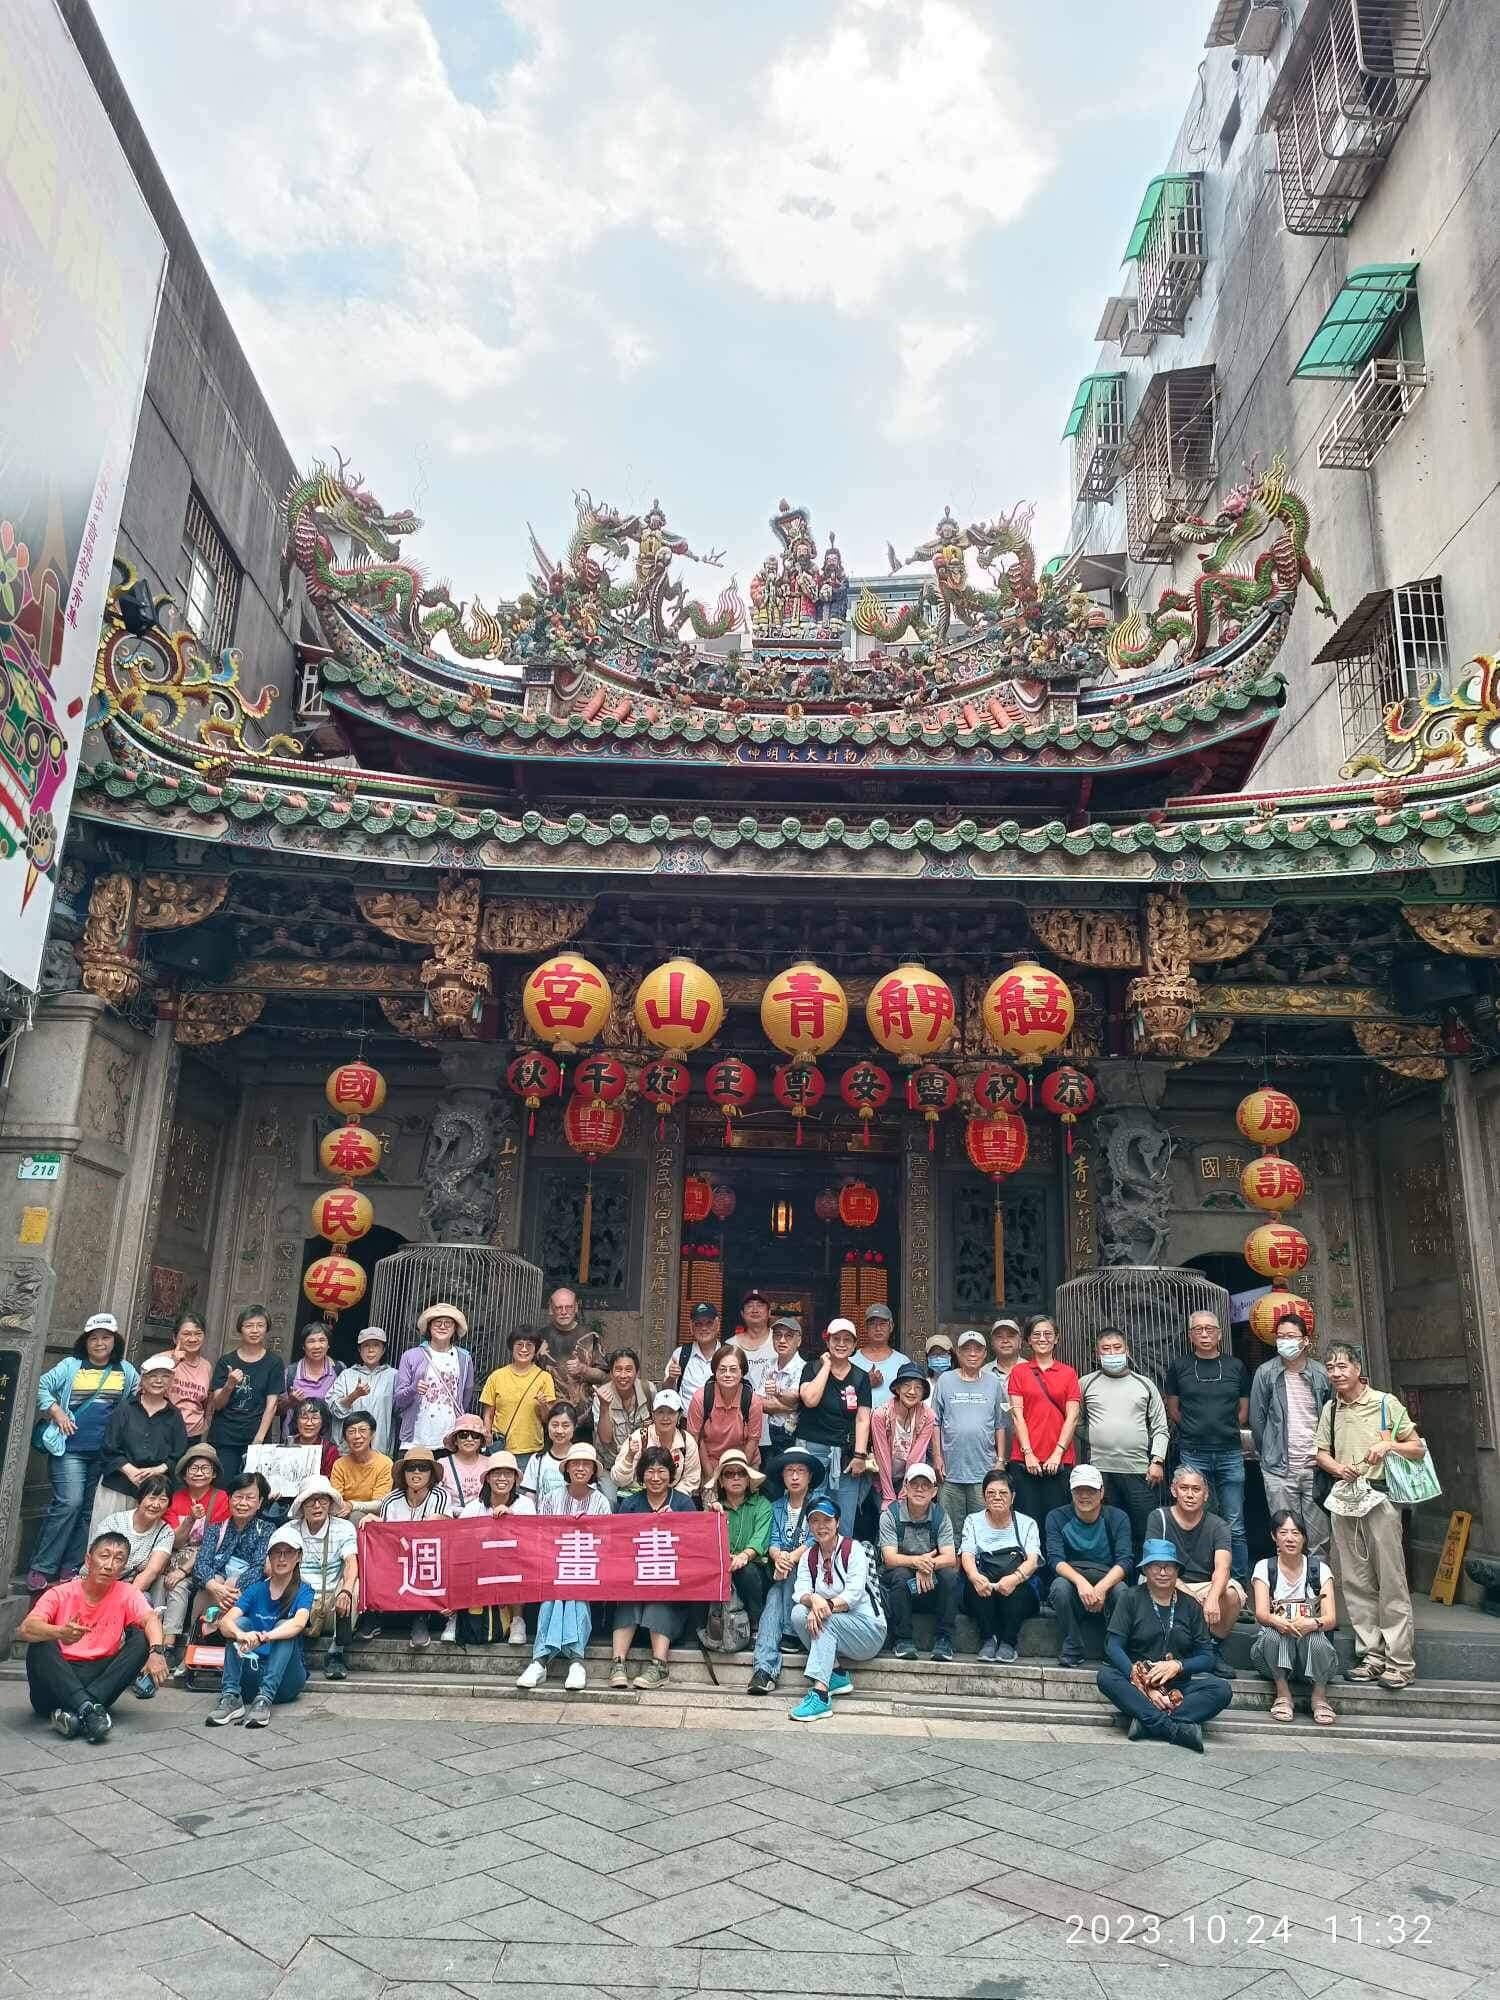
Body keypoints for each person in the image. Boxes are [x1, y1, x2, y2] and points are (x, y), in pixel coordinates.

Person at [1314, 1340, 1425, 1690]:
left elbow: (1417, 1448)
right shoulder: (1331, 1408)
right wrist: (1337, 1468)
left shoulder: (1384, 1403)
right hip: (1345, 1500)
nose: (1336, 1373)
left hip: (1380, 1499)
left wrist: (1388, 1444)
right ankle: (1371, 1655)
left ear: (1358, 1368)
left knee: (1391, 1580)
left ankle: (1400, 1662)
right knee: (1355, 1581)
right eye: (1330, 1368)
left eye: (1342, 1366)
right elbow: (1320, 1453)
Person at [19, 1530, 169, 1741]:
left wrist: (157, 1652)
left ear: (123, 1567)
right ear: (88, 1560)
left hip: (98, 1679)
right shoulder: (60, 1593)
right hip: (56, 1679)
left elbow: (151, 1619)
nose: (109, 1565)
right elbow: (26, 1628)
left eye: (118, 1559)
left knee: (142, 1638)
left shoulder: (127, 1593)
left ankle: (77, 1712)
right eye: (104, 1556)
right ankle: (90, 1710)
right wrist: (60, 1632)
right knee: (40, 1641)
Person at [28, 1314, 139, 1593]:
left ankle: (72, 1565)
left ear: (115, 1341)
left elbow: (139, 1397)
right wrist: (57, 1412)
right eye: (94, 1338)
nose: (100, 1343)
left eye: (106, 1337)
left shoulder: (125, 1370)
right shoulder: (71, 1366)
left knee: (89, 1510)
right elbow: (41, 1386)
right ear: (85, 1342)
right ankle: (43, 1566)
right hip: (70, 1449)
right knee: (69, 1503)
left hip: (103, 1453)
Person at [1097, 1539, 1232, 1753]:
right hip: (1138, 1683)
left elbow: (1207, 1657)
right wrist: (1145, 1686)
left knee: (1221, 1690)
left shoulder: (1191, 1606)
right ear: (1145, 1570)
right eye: (1155, 1566)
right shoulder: (1130, 1598)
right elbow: (1113, 1646)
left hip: (1178, 1688)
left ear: (1177, 1571)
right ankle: (1173, 1729)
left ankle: (1145, 1722)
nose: (1162, 1572)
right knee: (1106, 1676)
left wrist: (1178, 1665)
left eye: (1168, 1566)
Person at [1165, 1310, 1250, 1584]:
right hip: (1193, 1452)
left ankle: (1237, 1585)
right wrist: (1195, 1428)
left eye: (1210, 1329)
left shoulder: (1235, 1366)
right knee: (1197, 1518)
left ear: (1220, 1334)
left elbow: (1243, 1410)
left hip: (1229, 1452)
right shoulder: (1179, 1367)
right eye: (1198, 1329)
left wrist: (1224, 1428)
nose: (1204, 1334)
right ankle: (1202, 1580)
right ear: (1190, 1335)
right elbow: (1174, 1409)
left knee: (1235, 1522)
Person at [517, 1443, 610, 1691]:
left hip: (587, 1570)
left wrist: (585, 1530)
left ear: (593, 1470)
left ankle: (554, 1660)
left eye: (586, 1464)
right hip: (554, 1567)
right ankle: (555, 1662)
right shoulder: (551, 1498)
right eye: (575, 1464)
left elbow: (606, 1544)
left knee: (574, 1594)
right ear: (567, 1468)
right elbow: (542, 1537)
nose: (580, 1468)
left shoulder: (601, 1502)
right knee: (555, 1597)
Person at [788, 1490, 887, 1720]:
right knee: (798, 1613)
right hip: (837, 1627)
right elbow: (800, 1591)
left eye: (827, 1520)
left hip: (869, 1631)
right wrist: (813, 1600)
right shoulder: (809, 1556)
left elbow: (853, 1595)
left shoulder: (854, 1550)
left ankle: (821, 1695)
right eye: (815, 1520)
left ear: (838, 1522)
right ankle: (836, 1674)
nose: (821, 1526)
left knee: (825, 1620)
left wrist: (824, 1607)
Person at [204, 1524, 314, 1728]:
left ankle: (265, 1698)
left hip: (285, 1679)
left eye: (288, 1553)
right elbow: (225, 1623)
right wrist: (241, 1635)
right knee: (240, 1623)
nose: (282, 1558)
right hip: (252, 1672)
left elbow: (298, 1623)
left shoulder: (304, 1591)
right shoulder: (255, 1590)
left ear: (298, 1556)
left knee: (285, 1627)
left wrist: (265, 1637)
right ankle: (231, 1696)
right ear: (269, 1557)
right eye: (276, 1553)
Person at [611, 1445, 699, 1689]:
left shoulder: (683, 1504)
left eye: (661, 1471)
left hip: (670, 1585)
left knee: (660, 1596)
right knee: (627, 1596)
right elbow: (618, 1546)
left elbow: (694, 1547)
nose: (656, 1477)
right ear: (641, 1475)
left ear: (671, 1474)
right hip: (636, 1579)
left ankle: (660, 1666)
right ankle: (618, 1663)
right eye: (650, 1471)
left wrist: (673, 1525)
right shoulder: (630, 1504)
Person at [1077, 1330, 1169, 1556]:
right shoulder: (1085, 1383)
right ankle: (1112, 1574)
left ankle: (1144, 1573)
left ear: (1126, 1350)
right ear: (1097, 1354)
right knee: (1108, 1531)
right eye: (1106, 1349)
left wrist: (1157, 1460)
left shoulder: (1145, 1384)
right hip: (1100, 1472)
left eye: (1117, 1348)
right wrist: (1098, 1436)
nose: (1112, 1353)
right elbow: (1075, 1422)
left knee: (1145, 1530)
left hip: (1139, 1470)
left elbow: (1160, 1427)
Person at [1250, 1317, 1332, 1557]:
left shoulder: (1321, 1373)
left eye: (1291, 1336)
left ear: (1305, 1340)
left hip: (1316, 1469)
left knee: (1319, 1539)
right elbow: (1257, 1420)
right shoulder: (1266, 1373)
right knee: (1286, 1536)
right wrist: (1270, 1453)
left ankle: (1318, 1580)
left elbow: (1330, 1416)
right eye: (1281, 1336)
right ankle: (1289, 1580)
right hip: (1279, 1471)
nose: (1284, 1341)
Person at [87, 1351, 189, 1545]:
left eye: (165, 1376)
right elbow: (108, 1447)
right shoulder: (125, 1409)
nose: (158, 1381)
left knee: (142, 1543)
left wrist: (158, 1469)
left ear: (171, 1381)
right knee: (107, 1540)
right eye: (152, 1375)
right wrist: (130, 1471)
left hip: (154, 1490)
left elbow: (179, 1454)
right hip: (118, 1484)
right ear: (142, 1379)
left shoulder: (174, 1415)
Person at [1251, 1509, 1339, 1724]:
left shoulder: (1320, 1570)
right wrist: (1278, 1621)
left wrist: (1312, 1623)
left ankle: (1319, 1696)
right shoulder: (1264, 1567)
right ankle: (1283, 1693)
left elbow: (1331, 1619)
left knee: (1315, 1635)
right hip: (1270, 1658)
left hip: (1314, 1658)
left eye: (1296, 1533)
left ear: (1304, 1538)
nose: (1289, 1538)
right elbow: (1261, 1613)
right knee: (1274, 1633)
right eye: (1283, 1533)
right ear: (1274, 1536)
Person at [182, 1471, 276, 1668]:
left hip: (246, 1589)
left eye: (250, 1498)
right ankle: (192, 1650)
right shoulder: (216, 1528)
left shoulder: (266, 1529)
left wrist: (232, 1588)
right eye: (238, 1497)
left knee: (232, 1582)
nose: (243, 1503)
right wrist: (215, 1586)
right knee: (210, 1584)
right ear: (230, 1499)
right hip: (215, 1588)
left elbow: (259, 1566)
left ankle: (218, 1639)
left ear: (260, 1502)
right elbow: (201, 1563)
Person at [1144, 1465, 1245, 1645]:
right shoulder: (1159, 1517)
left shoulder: (1218, 1525)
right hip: (1168, 1579)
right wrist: (1190, 1596)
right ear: (1173, 1491)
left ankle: (1213, 1643)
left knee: (1232, 1593)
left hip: (1203, 1586)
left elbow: (1223, 1567)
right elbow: (1153, 1563)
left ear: (1205, 1495)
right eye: (1184, 1488)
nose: (1190, 1495)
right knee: (1151, 1578)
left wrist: (1213, 1597)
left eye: (1196, 1489)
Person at [748, 1444, 821, 1695]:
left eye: (801, 1471)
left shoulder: (819, 1504)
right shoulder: (776, 1506)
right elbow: (773, 1540)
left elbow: (816, 1539)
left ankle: (787, 1635)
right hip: (783, 1575)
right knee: (774, 1597)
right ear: (782, 1476)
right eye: (790, 1471)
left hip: (813, 1577)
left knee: (784, 1582)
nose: (795, 1476)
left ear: (810, 1476)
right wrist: (778, 1557)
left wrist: (789, 1558)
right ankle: (764, 1669)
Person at [1045, 1465, 1132, 1667]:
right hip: (1072, 1579)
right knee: (1059, 1588)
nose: (1084, 1496)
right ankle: (1073, 1645)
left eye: (1091, 1490)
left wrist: (1101, 1588)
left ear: (1101, 1492)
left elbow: (1125, 1561)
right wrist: (1080, 1582)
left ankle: (1114, 1648)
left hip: (1107, 1579)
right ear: (1071, 1492)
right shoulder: (1056, 1517)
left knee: (1123, 1591)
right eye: (1079, 1490)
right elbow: (1055, 1559)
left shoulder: (1118, 1517)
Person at [796, 1317, 872, 1532]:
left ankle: (842, 1553)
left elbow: (862, 1418)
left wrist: (860, 1455)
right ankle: (810, 1554)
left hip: (846, 1454)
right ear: (827, 1342)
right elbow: (810, 1400)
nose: (841, 1344)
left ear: (854, 1345)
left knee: (844, 1517)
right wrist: (826, 1366)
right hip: (812, 1449)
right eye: (836, 1339)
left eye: (847, 1340)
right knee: (812, 1512)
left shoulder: (860, 1377)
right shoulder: (812, 1368)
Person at [1006, 1314, 1082, 1529]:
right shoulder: (1019, 1372)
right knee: (1026, 1520)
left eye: (1048, 1334)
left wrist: (1058, 1453)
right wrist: (1028, 1453)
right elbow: (1017, 1415)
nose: (1042, 1338)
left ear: (1056, 1338)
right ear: (1028, 1340)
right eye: (1036, 1334)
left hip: (1060, 1460)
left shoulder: (1068, 1373)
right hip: (1024, 1460)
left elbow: (1073, 1416)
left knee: (1058, 1521)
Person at [959, 1467, 1041, 1663]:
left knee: (1020, 1592)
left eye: (1003, 1493)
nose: (997, 1497)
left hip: (1016, 1586)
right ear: (983, 1496)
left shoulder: (1027, 1523)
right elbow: (967, 1554)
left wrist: (1014, 1579)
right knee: (973, 1586)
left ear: (1013, 1497)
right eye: (991, 1493)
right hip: (985, 1586)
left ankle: (1008, 1642)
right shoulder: (973, 1521)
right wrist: (975, 1577)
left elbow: (1033, 1560)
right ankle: (989, 1639)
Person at [879, 1462, 958, 1663]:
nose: (920, 1490)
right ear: (905, 1488)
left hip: (931, 1582)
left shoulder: (941, 1516)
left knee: (950, 1576)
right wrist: (918, 1562)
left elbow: (950, 1557)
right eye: (914, 1484)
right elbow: (889, 1559)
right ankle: (903, 1638)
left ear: (934, 1491)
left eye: (926, 1485)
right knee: (900, 1574)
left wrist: (927, 1567)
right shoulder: (890, 1515)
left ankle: (944, 1639)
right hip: (901, 1584)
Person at [932, 1329, 1007, 1538]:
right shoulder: (945, 1381)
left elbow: (1000, 1424)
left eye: (977, 1349)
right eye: (967, 1349)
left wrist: (1000, 1460)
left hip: (983, 1470)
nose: (972, 1353)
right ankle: (953, 1559)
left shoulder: (994, 1383)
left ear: (985, 1354)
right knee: (950, 1529)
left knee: (983, 1527)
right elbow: (935, 1423)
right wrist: (937, 1456)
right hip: (950, 1470)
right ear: (958, 1352)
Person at [158, 1444, 230, 1662]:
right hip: (175, 1556)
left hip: (205, 1560)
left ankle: (174, 1644)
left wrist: (182, 1570)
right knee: (165, 1585)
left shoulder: (221, 1498)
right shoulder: (175, 1498)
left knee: (179, 1585)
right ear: (184, 1473)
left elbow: (212, 1544)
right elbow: (175, 1541)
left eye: (205, 1468)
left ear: (214, 1473)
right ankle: (161, 1644)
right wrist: (190, 1519)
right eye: (194, 1468)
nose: (199, 1473)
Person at [377, 1445, 450, 1649]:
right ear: (403, 1473)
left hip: (428, 1558)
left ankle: (421, 1616)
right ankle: (374, 1615)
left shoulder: (440, 1496)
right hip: (397, 1556)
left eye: (423, 1468)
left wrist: (437, 1520)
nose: (416, 1472)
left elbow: (440, 1533)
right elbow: (382, 1538)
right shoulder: (391, 1500)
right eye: (411, 1468)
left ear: (431, 1474)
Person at [286, 1476, 358, 1681]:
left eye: (323, 1500)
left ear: (330, 1503)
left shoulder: (344, 1528)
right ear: (302, 1505)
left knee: (355, 1587)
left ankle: (336, 1653)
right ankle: (293, 1652)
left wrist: (346, 1591)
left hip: (332, 1602)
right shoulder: (289, 1531)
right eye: (310, 1501)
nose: (317, 1506)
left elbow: (351, 1562)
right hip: (302, 1601)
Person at [459, 1453, 535, 1647]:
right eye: (497, 1473)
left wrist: (511, 1519)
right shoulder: (473, 1507)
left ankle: (517, 1620)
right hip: (480, 1565)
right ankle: (455, 1618)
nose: (502, 1478)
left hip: (513, 1563)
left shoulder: (525, 1504)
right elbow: (459, 1540)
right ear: (487, 1478)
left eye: (508, 1474)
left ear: (515, 1479)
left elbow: (531, 1541)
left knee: (517, 1565)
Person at [208, 1304, 284, 1486]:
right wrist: (229, 1385)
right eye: (249, 1325)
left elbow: (272, 1405)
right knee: (223, 1487)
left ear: (267, 1329)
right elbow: (217, 1404)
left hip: (256, 1436)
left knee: (252, 1490)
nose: (255, 1330)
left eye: (260, 1325)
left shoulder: (274, 1363)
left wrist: (259, 1440)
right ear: (240, 1329)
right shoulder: (226, 1361)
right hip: (225, 1437)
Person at [394, 1303, 476, 1450]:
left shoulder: (464, 1359)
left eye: (448, 1323)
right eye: (437, 1322)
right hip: (416, 1438)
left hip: (450, 1438)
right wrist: (413, 1389)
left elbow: (466, 1396)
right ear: (429, 1327)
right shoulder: (411, 1356)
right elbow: (399, 1401)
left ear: (455, 1328)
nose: (442, 1326)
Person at [479, 1325, 558, 1467]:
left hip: (530, 1450)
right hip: (499, 1448)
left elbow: (547, 1419)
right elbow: (488, 1414)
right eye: (519, 1344)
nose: (524, 1349)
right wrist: (487, 1436)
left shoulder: (544, 1378)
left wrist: (543, 1405)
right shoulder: (497, 1376)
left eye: (529, 1345)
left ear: (536, 1349)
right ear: (511, 1347)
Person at [714, 1447, 772, 1640]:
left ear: (748, 1479)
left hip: (753, 1568)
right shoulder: (715, 1509)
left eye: (741, 1473)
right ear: (721, 1481)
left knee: (748, 1571)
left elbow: (760, 1538)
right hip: (723, 1566)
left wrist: (744, 1555)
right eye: (729, 1474)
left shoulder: (762, 1505)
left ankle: (756, 1624)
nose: (736, 1478)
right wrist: (713, 1518)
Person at [687, 1345, 765, 1489]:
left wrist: (739, 1473)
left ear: (742, 1372)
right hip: (709, 1463)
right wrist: (710, 1476)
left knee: (742, 1502)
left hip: (744, 1463)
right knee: (711, 1502)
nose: (727, 1374)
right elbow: (696, 1439)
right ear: (715, 1371)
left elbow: (753, 1440)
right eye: (722, 1369)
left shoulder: (752, 1401)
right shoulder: (701, 1398)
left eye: (733, 1369)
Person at [870, 1360, 937, 1510]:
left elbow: (916, 1456)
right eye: (906, 1385)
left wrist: (903, 1495)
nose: (912, 1392)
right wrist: (889, 1496)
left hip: (911, 1478)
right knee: (885, 1514)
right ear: (897, 1389)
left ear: (923, 1393)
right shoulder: (881, 1415)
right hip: (881, 1477)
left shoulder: (928, 1416)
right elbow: (882, 1456)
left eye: (918, 1387)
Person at [611, 1389, 701, 1496]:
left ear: (679, 1415)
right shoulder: (639, 1438)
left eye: (671, 1412)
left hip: (673, 1497)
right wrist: (629, 1457)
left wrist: (672, 1499)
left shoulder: (687, 1441)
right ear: (653, 1415)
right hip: (639, 1496)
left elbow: (691, 1478)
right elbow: (618, 1480)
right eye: (660, 1412)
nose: (665, 1418)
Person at [327, 1326, 398, 1456]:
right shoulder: (347, 1375)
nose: (371, 1350)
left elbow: (400, 1410)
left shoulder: (394, 1376)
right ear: (359, 1349)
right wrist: (354, 1396)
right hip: (348, 1451)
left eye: (376, 1345)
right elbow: (333, 1407)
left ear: (383, 1349)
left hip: (380, 1450)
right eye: (366, 1346)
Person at [330, 1408, 393, 1524]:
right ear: (345, 1438)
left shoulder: (385, 1463)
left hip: (373, 1518)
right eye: (351, 1432)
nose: (357, 1436)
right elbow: (336, 1500)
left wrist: (352, 1505)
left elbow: (380, 1504)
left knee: (356, 1516)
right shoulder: (340, 1464)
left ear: (372, 1434)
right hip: (343, 1515)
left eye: (362, 1430)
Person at [539, 1286, 606, 1390]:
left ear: (576, 1308)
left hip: (582, 1400)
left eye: (569, 1307)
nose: (564, 1312)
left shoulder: (591, 1336)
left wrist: (583, 1369)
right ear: (551, 1309)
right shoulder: (540, 1337)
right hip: (546, 1399)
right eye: (559, 1307)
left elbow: (603, 1377)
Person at [593, 1347, 654, 1461]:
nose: (623, 1375)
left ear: (637, 1372)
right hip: (611, 1463)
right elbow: (605, 1439)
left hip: (641, 1463)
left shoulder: (648, 1390)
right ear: (611, 1373)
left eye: (628, 1370)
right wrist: (604, 1407)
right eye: (618, 1370)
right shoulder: (601, 1396)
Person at [760, 1313, 806, 1461]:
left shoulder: (804, 1369)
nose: (782, 1340)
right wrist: (788, 1408)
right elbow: (759, 1402)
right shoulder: (768, 1366)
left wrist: (776, 1394)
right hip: (769, 1433)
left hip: (794, 1434)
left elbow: (795, 1399)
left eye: (789, 1336)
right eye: (777, 1335)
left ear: (799, 1341)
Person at [521, 1402, 582, 1509]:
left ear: (574, 1427)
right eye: (554, 1425)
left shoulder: (582, 1459)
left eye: (565, 1426)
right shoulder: (537, 1460)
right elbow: (530, 1497)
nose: (559, 1430)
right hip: (543, 1518)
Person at [282, 1324, 338, 1436]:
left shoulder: (339, 1370)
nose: (317, 1346)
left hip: (328, 1440)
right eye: (311, 1341)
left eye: (322, 1340)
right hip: (294, 1439)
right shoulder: (291, 1373)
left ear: (328, 1345)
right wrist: (290, 1402)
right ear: (303, 1346)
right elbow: (277, 1410)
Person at [165, 1314, 213, 1440]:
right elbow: (145, 1395)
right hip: (164, 1432)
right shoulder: (161, 1360)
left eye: (198, 1334)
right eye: (186, 1334)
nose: (193, 1339)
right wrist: (172, 1364)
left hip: (194, 1435)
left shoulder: (207, 1366)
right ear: (175, 1338)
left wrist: (205, 1427)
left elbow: (208, 1403)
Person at [664, 1301, 722, 1402]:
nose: (704, 1328)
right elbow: (666, 1391)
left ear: (717, 1325)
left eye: (709, 1323)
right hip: (686, 1412)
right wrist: (671, 1378)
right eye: (698, 1324)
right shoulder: (681, 1353)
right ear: (691, 1327)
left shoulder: (728, 1354)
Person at [439, 1415, 491, 1512]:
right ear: (455, 1440)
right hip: (453, 1517)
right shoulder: (443, 1464)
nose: (469, 1439)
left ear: (481, 1440)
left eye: (475, 1435)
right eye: (464, 1435)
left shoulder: (490, 1463)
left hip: (484, 1517)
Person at [733, 1289, 778, 1399]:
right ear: (742, 1314)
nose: (755, 1310)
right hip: (739, 1407)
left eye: (760, 1305)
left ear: (769, 1313)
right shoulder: (730, 1345)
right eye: (749, 1306)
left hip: (774, 1407)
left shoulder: (780, 1340)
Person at [856, 1303, 900, 1412]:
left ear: (891, 1326)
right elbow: (840, 1396)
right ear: (865, 1328)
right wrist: (866, 1384)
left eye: (883, 1323)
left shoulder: (902, 1362)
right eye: (872, 1324)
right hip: (857, 1421)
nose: (878, 1328)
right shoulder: (852, 1360)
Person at [284, 1396, 340, 1478]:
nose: (309, 1423)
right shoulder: (288, 1445)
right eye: (304, 1417)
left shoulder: (330, 1450)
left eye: (315, 1418)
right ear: (296, 1420)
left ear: (323, 1421)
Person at [985, 1316, 1023, 1393]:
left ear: (1020, 1342)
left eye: (1010, 1336)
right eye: (999, 1337)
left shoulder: (1032, 1371)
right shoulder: (983, 1372)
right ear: (992, 1343)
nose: (1005, 1340)